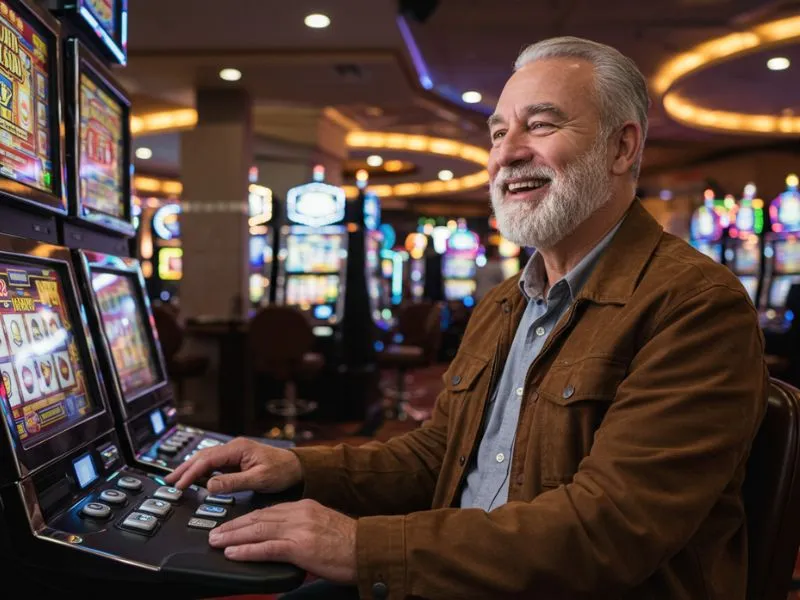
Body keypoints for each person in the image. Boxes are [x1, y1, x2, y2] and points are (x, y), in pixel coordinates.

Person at [166, 36, 767, 599]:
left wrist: (361, 545)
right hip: (462, 572)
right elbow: (439, 454)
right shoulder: (506, 302)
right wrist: (299, 465)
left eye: (541, 124)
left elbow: (609, 530)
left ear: (622, 147)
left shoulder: (693, 305)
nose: (508, 152)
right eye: (499, 132)